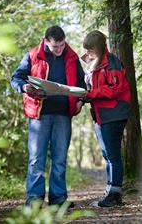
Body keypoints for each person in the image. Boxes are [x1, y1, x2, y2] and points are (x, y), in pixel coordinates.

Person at [10, 25, 85, 207]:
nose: (59, 50)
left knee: (59, 158)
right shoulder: (33, 55)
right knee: (36, 159)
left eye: (61, 45)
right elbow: (16, 78)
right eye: (55, 47)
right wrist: (24, 87)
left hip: (63, 115)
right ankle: (34, 200)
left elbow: (83, 84)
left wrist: (80, 101)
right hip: (39, 115)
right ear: (46, 42)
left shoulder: (72, 56)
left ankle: (58, 199)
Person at [81, 30, 131, 207]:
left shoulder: (112, 63)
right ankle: (110, 190)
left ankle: (115, 193)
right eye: (86, 50)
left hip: (114, 113)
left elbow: (115, 89)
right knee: (107, 154)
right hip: (100, 115)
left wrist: (91, 94)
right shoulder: (94, 63)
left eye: (91, 50)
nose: (88, 54)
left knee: (113, 155)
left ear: (100, 48)